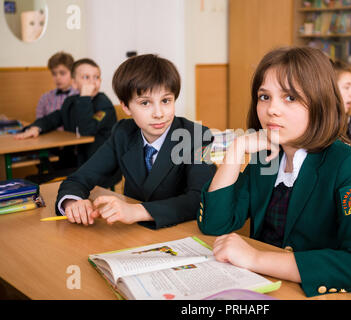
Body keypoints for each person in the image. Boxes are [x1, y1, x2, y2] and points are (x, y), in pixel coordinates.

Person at [197, 46, 351, 297]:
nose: (272, 109)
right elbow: (214, 224)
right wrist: (237, 149)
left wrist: (256, 258)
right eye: (264, 97)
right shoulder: (265, 158)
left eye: (290, 98)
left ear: (320, 102)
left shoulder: (348, 163)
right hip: (260, 286)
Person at [55, 54, 216, 229]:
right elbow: (79, 178)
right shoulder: (122, 133)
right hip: (133, 234)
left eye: (166, 101)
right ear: (126, 106)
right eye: (145, 103)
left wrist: (137, 211)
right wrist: (73, 203)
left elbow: (200, 198)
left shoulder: (199, 136)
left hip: (181, 234)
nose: (158, 113)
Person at [15, 58, 117, 171]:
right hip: (75, 159)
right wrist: (36, 128)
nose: (93, 82)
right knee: (43, 168)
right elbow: (54, 118)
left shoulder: (104, 104)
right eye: (86, 77)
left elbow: (86, 130)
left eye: (96, 77)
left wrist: (85, 98)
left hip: (98, 163)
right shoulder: (71, 101)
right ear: (74, 83)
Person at [35, 52, 78, 122]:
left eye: (62, 73)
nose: (58, 78)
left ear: (72, 73)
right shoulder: (45, 98)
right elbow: (39, 123)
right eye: (54, 74)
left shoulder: (80, 96)